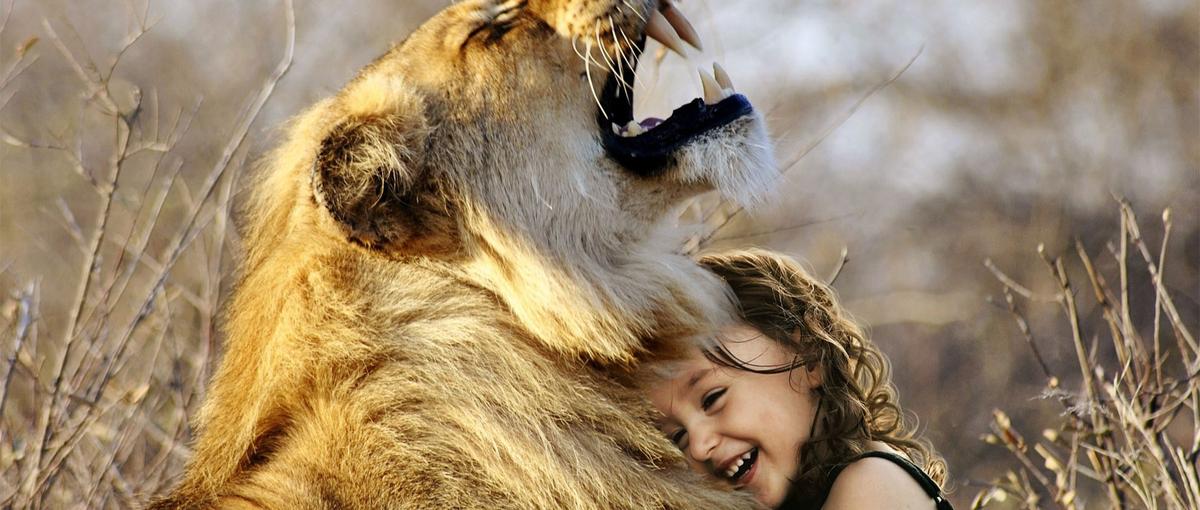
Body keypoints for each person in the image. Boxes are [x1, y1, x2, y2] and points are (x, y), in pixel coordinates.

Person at [648, 249, 952, 509]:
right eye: (678, 438)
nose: (699, 448)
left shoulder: (872, 483)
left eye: (713, 398)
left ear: (807, 356)